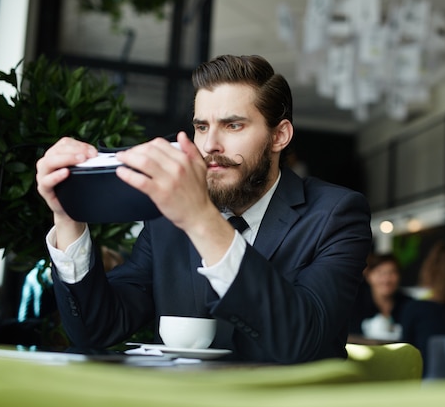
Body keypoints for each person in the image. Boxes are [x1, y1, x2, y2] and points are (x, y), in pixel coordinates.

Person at [35, 54, 372, 364]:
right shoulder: (166, 219)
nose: (210, 145)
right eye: (201, 127)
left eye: (233, 125)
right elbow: (97, 330)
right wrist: (68, 216)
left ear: (279, 136)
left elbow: (302, 341)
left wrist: (200, 219)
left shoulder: (336, 214)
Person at [348, 253, 412, 341]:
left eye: (392, 273)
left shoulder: (409, 305)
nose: (386, 279)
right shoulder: (354, 304)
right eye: (380, 273)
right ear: (368, 276)